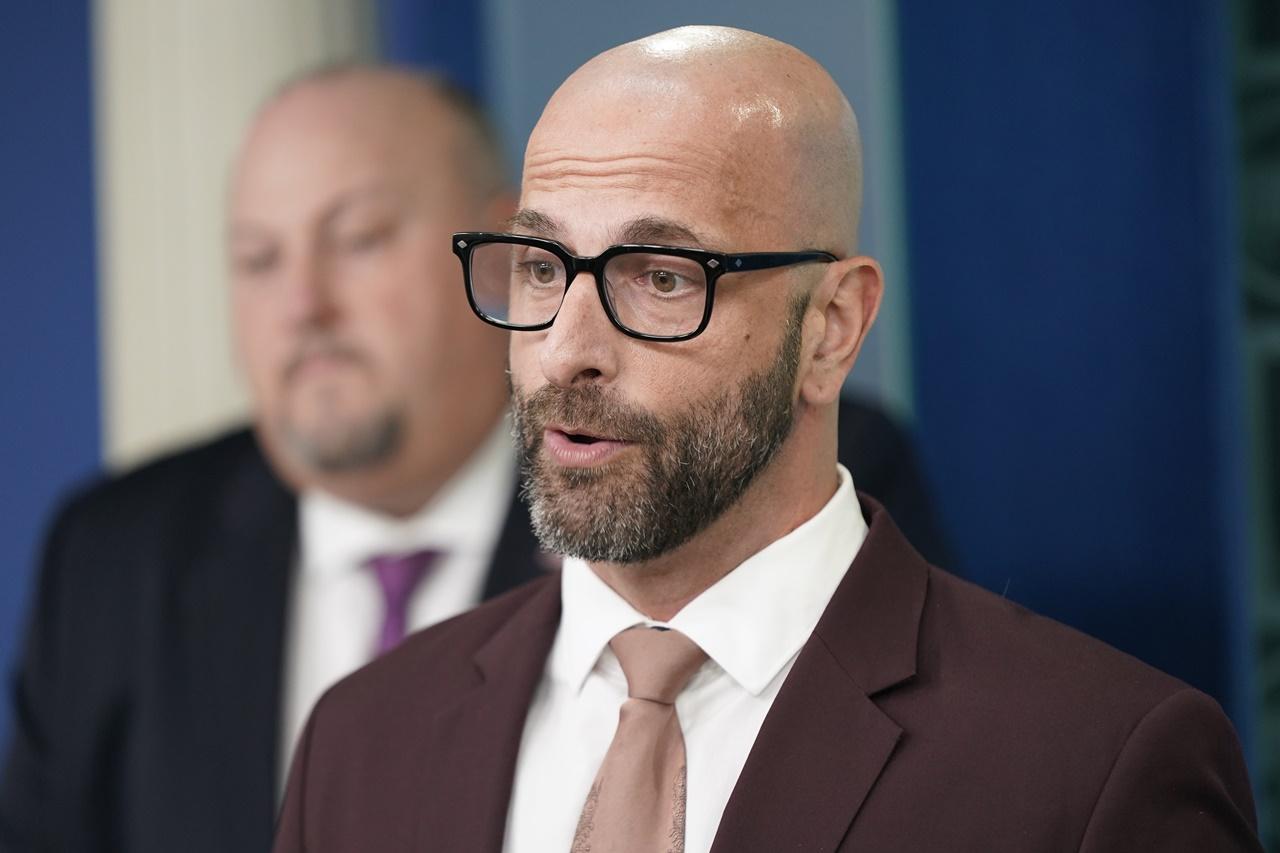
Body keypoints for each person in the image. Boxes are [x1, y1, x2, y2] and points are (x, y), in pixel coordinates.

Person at [272, 28, 1262, 853]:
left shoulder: (1092, 765)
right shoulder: (362, 739)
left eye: (661, 277)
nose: (567, 350)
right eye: (539, 267)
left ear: (830, 327)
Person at [0, 62, 945, 853]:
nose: (303, 305)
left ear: (501, 256)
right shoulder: (114, 553)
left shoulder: (749, 465)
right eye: (258, 259)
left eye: (358, 239)